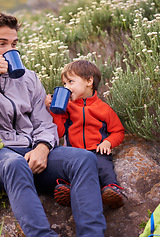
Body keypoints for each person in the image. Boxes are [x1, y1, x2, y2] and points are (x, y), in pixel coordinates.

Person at [0, 12, 107, 237]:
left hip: (31, 151)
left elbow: (44, 122)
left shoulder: (28, 78)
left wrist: (42, 147)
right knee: (15, 164)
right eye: (2, 43)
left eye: (14, 43)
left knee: (84, 159)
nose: (10, 50)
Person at [45, 60, 126, 209]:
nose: (66, 87)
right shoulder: (66, 107)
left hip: (96, 150)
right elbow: (59, 132)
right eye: (64, 84)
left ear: (89, 81)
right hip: (73, 153)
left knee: (103, 166)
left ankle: (112, 190)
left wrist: (108, 142)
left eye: (70, 82)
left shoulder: (103, 108)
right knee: (67, 170)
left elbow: (118, 131)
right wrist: (55, 112)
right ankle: (67, 191)